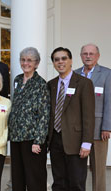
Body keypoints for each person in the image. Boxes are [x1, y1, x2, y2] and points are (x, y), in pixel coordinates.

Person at [48, 47, 95, 191]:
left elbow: (88, 115)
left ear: (71, 61)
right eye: (56, 60)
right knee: (59, 182)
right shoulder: (51, 85)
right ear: (54, 63)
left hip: (76, 141)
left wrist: (86, 143)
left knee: (76, 183)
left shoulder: (83, 83)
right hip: (55, 139)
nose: (60, 62)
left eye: (64, 58)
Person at [8, 47, 50, 191]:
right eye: (23, 60)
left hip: (32, 139)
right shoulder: (18, 79)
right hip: (16, 137)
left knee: (35, 179)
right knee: (18, 178)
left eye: (29, 60)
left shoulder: (41, 84)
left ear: (36, 63)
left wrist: (38, 141)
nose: (25, 63)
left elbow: (44, 114)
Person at [75, 43, 111, 191]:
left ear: (98, 56)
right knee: (78, 169)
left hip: (98, 129)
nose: (88, 56)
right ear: (81, 56)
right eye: (85, 54)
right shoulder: (75, 73)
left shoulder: (107, 74)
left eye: (91, 54)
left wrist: (107, 127)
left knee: (98, 169)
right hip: (78, 130)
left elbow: (109, 101)